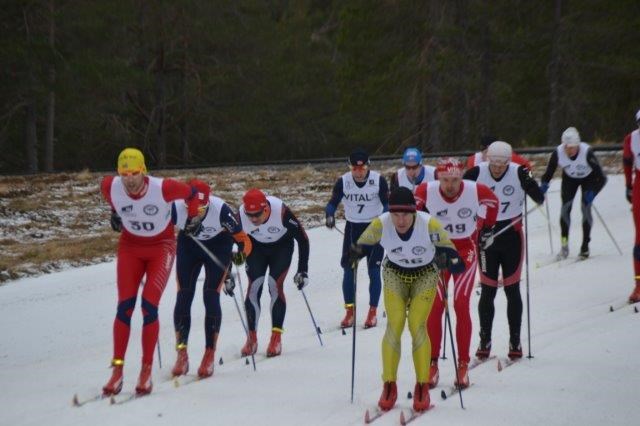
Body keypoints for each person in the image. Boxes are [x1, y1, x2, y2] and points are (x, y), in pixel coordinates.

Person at [100, 148, 207, 396]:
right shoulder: (110, 185)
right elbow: (112, 197)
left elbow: (193, 193)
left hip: (161, 248)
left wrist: (192, 218)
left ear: (143, 171)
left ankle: (145, 371)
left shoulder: (164, 188)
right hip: (130, 248)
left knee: (149, 306)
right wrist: (115, 214)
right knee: (124, 307)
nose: (129, 179)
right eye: (124, 173)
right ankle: (117, 372)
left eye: (134, 173)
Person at [350, 187, 464, 412]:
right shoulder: (381, 224)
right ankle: (389, 385)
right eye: (395, 214)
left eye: (405, 214)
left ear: (414, 212)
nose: (400, 220)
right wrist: (353, 254)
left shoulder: (428, 224)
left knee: (417, 325)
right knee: (394, 324)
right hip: (394, 275)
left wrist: (446, 260)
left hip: (425, 275)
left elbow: (458, 263)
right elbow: (359, 248)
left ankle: (422, 386)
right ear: (389, 213)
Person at [414, 157, 499, 389]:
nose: (450, 185)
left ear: (461, 176)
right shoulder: (426, 190)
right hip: (438, 252)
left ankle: (462, 364)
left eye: (454, 179)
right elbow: (412, 213)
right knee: (435, 306)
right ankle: (432, 364)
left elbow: (493, 202)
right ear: (437, 178)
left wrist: (486, 227)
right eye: (445, 180)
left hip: (464, 252)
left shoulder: (475, 189)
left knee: (461, 304)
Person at [463, 141, 545, 360]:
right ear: (488, 159)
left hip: (512, 236)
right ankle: (484, 340)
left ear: (509, 161)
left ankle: (515, 341)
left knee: (512, 289)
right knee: (488, 290)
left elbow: (539, 197)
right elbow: (458, 191)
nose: (498, 168)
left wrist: (530, 184)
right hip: (486, 236)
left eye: (503, 164)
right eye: (494, 163)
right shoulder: (476, 172)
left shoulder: (518, 172)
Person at [170, 179, 252, 378]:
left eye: (202, 208)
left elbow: (243, 239)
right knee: (184, 296)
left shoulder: (221, 209)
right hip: (189, 245)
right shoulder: (175, 208)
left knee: (210, 296)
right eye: (193, 209)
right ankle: (182, 353)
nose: (198, 212)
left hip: (218, 246)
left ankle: (209, 354)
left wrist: (241, 255)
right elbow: (156, 232)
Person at [237, 188, 310, 357]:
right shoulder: (240, 215)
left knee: (274, 286)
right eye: (250, 215)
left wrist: (302, 270)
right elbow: (229, 240)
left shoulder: (281, 212)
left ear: (266, 209)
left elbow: (303, 239)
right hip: (256, 248)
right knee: (254, 287)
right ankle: (252, 338)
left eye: (257, 215)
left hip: (282, 247)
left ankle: (276, 338)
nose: (253, 219)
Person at [325, 149, 389, 328]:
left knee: (373, 271)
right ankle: (350, 312)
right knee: (348, 269)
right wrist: (329, 215)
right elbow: (332, 202)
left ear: (368, 166)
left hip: (374, 228)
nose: (359, 173)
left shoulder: (378, 180)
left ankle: (372, 312)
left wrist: (385, 218)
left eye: (362, 169)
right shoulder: (343, 181)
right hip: (353, 229)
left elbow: (387, 204)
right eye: (355, 169)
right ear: (350, 167)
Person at [540, 127, 607, 260]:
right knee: (565, 210)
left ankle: (585, 247)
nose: (570, 150)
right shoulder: (558, 152)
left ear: (578, 145)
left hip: (589, 179)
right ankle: (564, 246)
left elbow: (602, 178)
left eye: (573, 147)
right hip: (569, 179)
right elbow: (548, 173)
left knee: (585, 208)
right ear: (563, 145)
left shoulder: (587, 152)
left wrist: (593, 192)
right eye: (567, 147)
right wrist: (544, 185)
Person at [623, 110, 640, 303]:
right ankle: (638, 284)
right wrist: (628, 186)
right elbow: (627, 163)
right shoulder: (631, 139)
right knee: (639, 238)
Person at [465, 135, 533, 171]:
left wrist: (526, 181)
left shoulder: (509, 157)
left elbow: (528, 169)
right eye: (485, 152)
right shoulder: (474, 160)